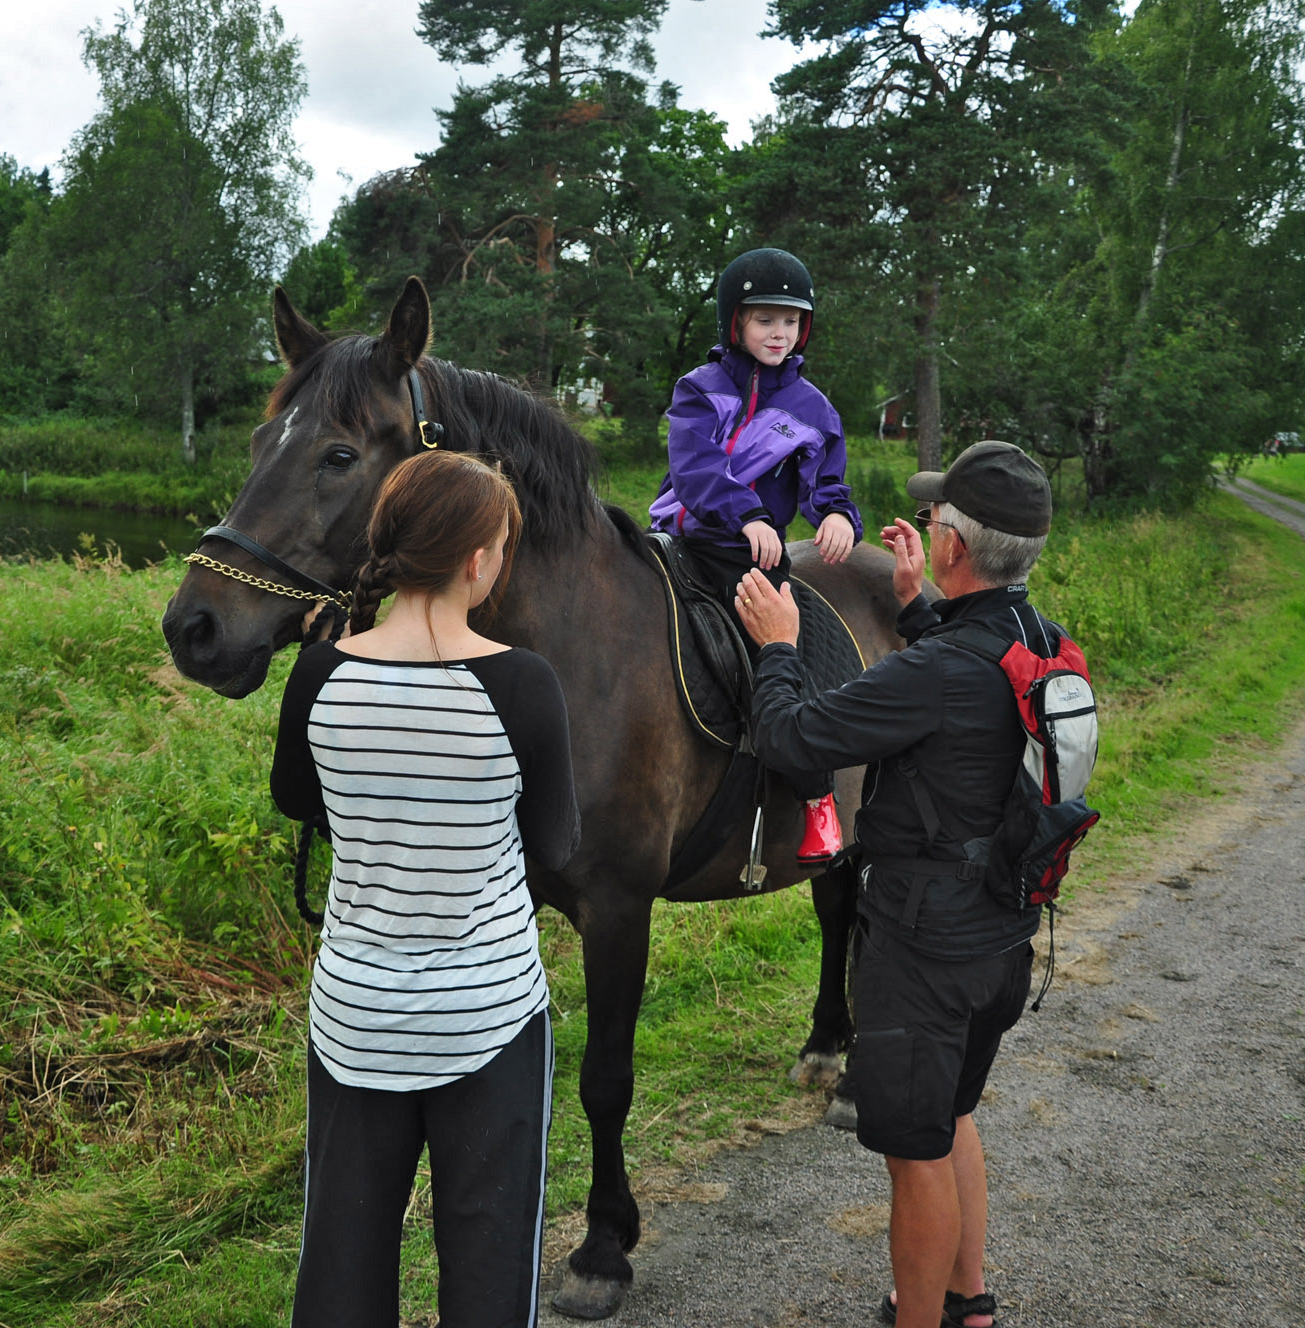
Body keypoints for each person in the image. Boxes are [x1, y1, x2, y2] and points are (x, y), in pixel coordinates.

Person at [733, 441, 1061, 1328]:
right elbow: (963, 686)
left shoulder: (934, 673)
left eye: (934, 522)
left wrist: (778, 648)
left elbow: (794, 743)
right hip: (998, 933)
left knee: (913, 1156)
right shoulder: (1035, 639)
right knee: (952, 1117)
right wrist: (916, 604)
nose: (923, 528)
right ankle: (968, 1299)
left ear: (955, 546)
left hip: (921, 946)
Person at [271, 449, 579, 1328]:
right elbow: (553, 844)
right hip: (486, 1016)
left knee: (339, 1257)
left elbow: (298, 799)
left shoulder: (320, 673)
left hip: (354, 1015)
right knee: (487, 1258)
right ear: (478, 560)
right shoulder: (520, 683)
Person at [648, 246, 864, 863]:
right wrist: (748, 514)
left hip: (757, 565)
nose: (780, 332)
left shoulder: (813, 411)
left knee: (794, 660)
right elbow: (695, 471)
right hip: (687, 541)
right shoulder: (699, 390)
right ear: (735, 322)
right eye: (766, 318)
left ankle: (819, 800)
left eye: (791, 321)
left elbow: (826, 485)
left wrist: (839, 519)